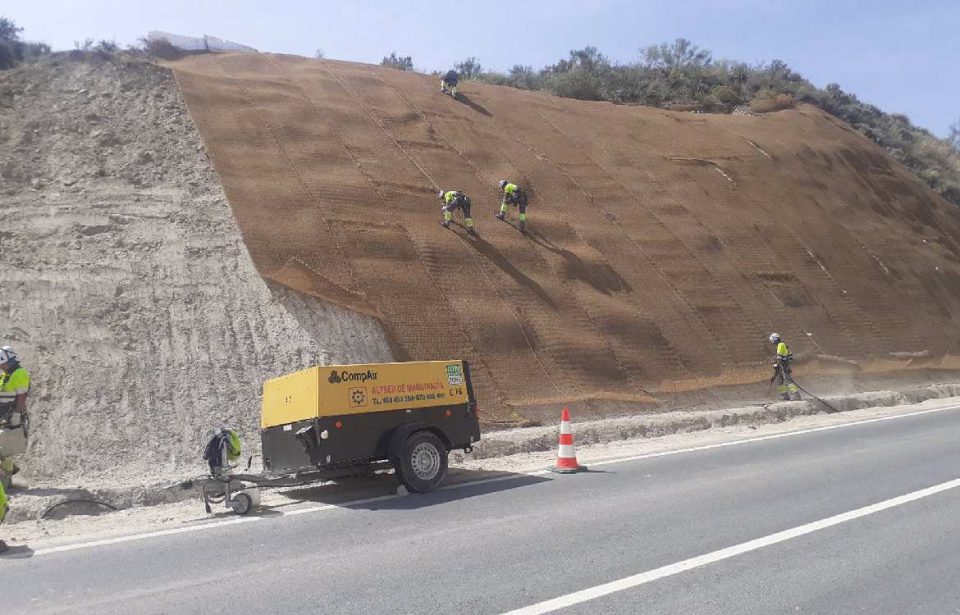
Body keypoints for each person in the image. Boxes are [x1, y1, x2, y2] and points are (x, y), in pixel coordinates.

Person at [0, 347, 30, 483]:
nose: (1, 366)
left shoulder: (19, 373)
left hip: (10, 415)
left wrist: (17, 415)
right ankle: (9, 474)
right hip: (3, 415)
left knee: (4, 448)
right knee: (3, 448)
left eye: (3, 363)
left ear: (10, 361)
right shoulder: (7, 374)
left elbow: (22, 396)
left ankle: (6, 480)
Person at [769, 333, 801, 401]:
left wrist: (778, 365)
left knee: (788, 381)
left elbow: (779, 357)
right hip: (784, 365)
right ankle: (784, 395)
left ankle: (796, 395)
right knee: (780, 380)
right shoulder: (782, 345)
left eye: (772, 340)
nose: (772, 342)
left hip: (783, 366)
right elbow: (789, 356)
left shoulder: (781, 345)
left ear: (775, 339)